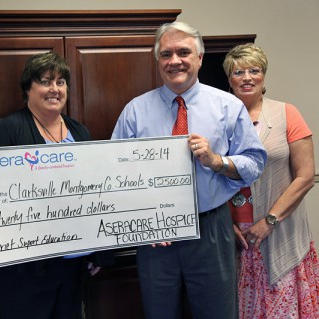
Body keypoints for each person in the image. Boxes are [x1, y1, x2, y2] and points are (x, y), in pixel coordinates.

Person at [111, 22, 267, 319]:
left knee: (217, 312)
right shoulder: (135, 110)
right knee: (159, 312)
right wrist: (141, 219)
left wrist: (217, 161)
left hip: (211, 228)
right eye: (166, 54)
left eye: (183, 52)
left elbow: (255, 161)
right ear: (158, 61)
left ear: (200, 58)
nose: (175, 60)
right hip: (155, 233)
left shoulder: (227, 106)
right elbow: (114, 175)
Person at [0, 51, 112, 319]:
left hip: (73, 264)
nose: (55, 89)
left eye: (61, 82)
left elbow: (93, 196)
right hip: (27, 270)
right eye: (45, 81)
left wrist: (97, 249)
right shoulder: (8, 129)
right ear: (27, 89)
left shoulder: (80, 132)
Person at [223, 43, 319, 319]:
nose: (247, 77)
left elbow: (305, 176)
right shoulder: (220, 118)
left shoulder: (287, 113)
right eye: (238, 72)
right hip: (237, 238)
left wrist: (270, 220)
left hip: (280, 229)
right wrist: (226, 223)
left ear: (264, 76)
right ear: (229, 79)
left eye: (255, 70)